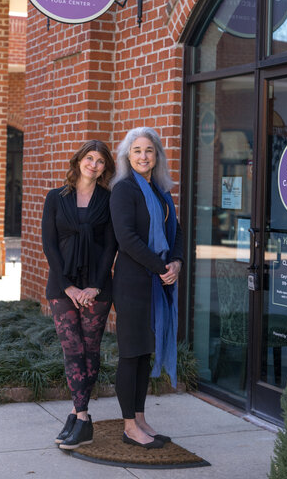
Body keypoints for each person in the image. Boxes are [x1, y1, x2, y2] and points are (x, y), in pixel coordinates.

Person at [110, 127, 183, 449]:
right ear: (128, 155)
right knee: (130, 354)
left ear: (157, 156)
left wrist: (176, 262)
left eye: (149, 150)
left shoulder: (161, 191)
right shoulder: (124, 190)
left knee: (143, 355)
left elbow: (176, 232)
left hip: (158, 281)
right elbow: (126, 239)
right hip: (133, 284)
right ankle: (129, 426)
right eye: (137, 150)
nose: (143, 156)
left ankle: (140, 419)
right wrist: (161, 266)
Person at [42, 140, 116, 450]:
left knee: (90, 350)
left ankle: (78, 416)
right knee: (72, 350)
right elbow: (49, 244)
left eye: (100, 160)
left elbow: (112, 246)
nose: (94, 164)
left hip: (96, 287)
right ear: (78, 161)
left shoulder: (109, 200)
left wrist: (94, 286)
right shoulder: (56, 198)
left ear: (105, 168)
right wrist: (69, 286)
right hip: (63, 285)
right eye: (89, 158)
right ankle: (81, 416)